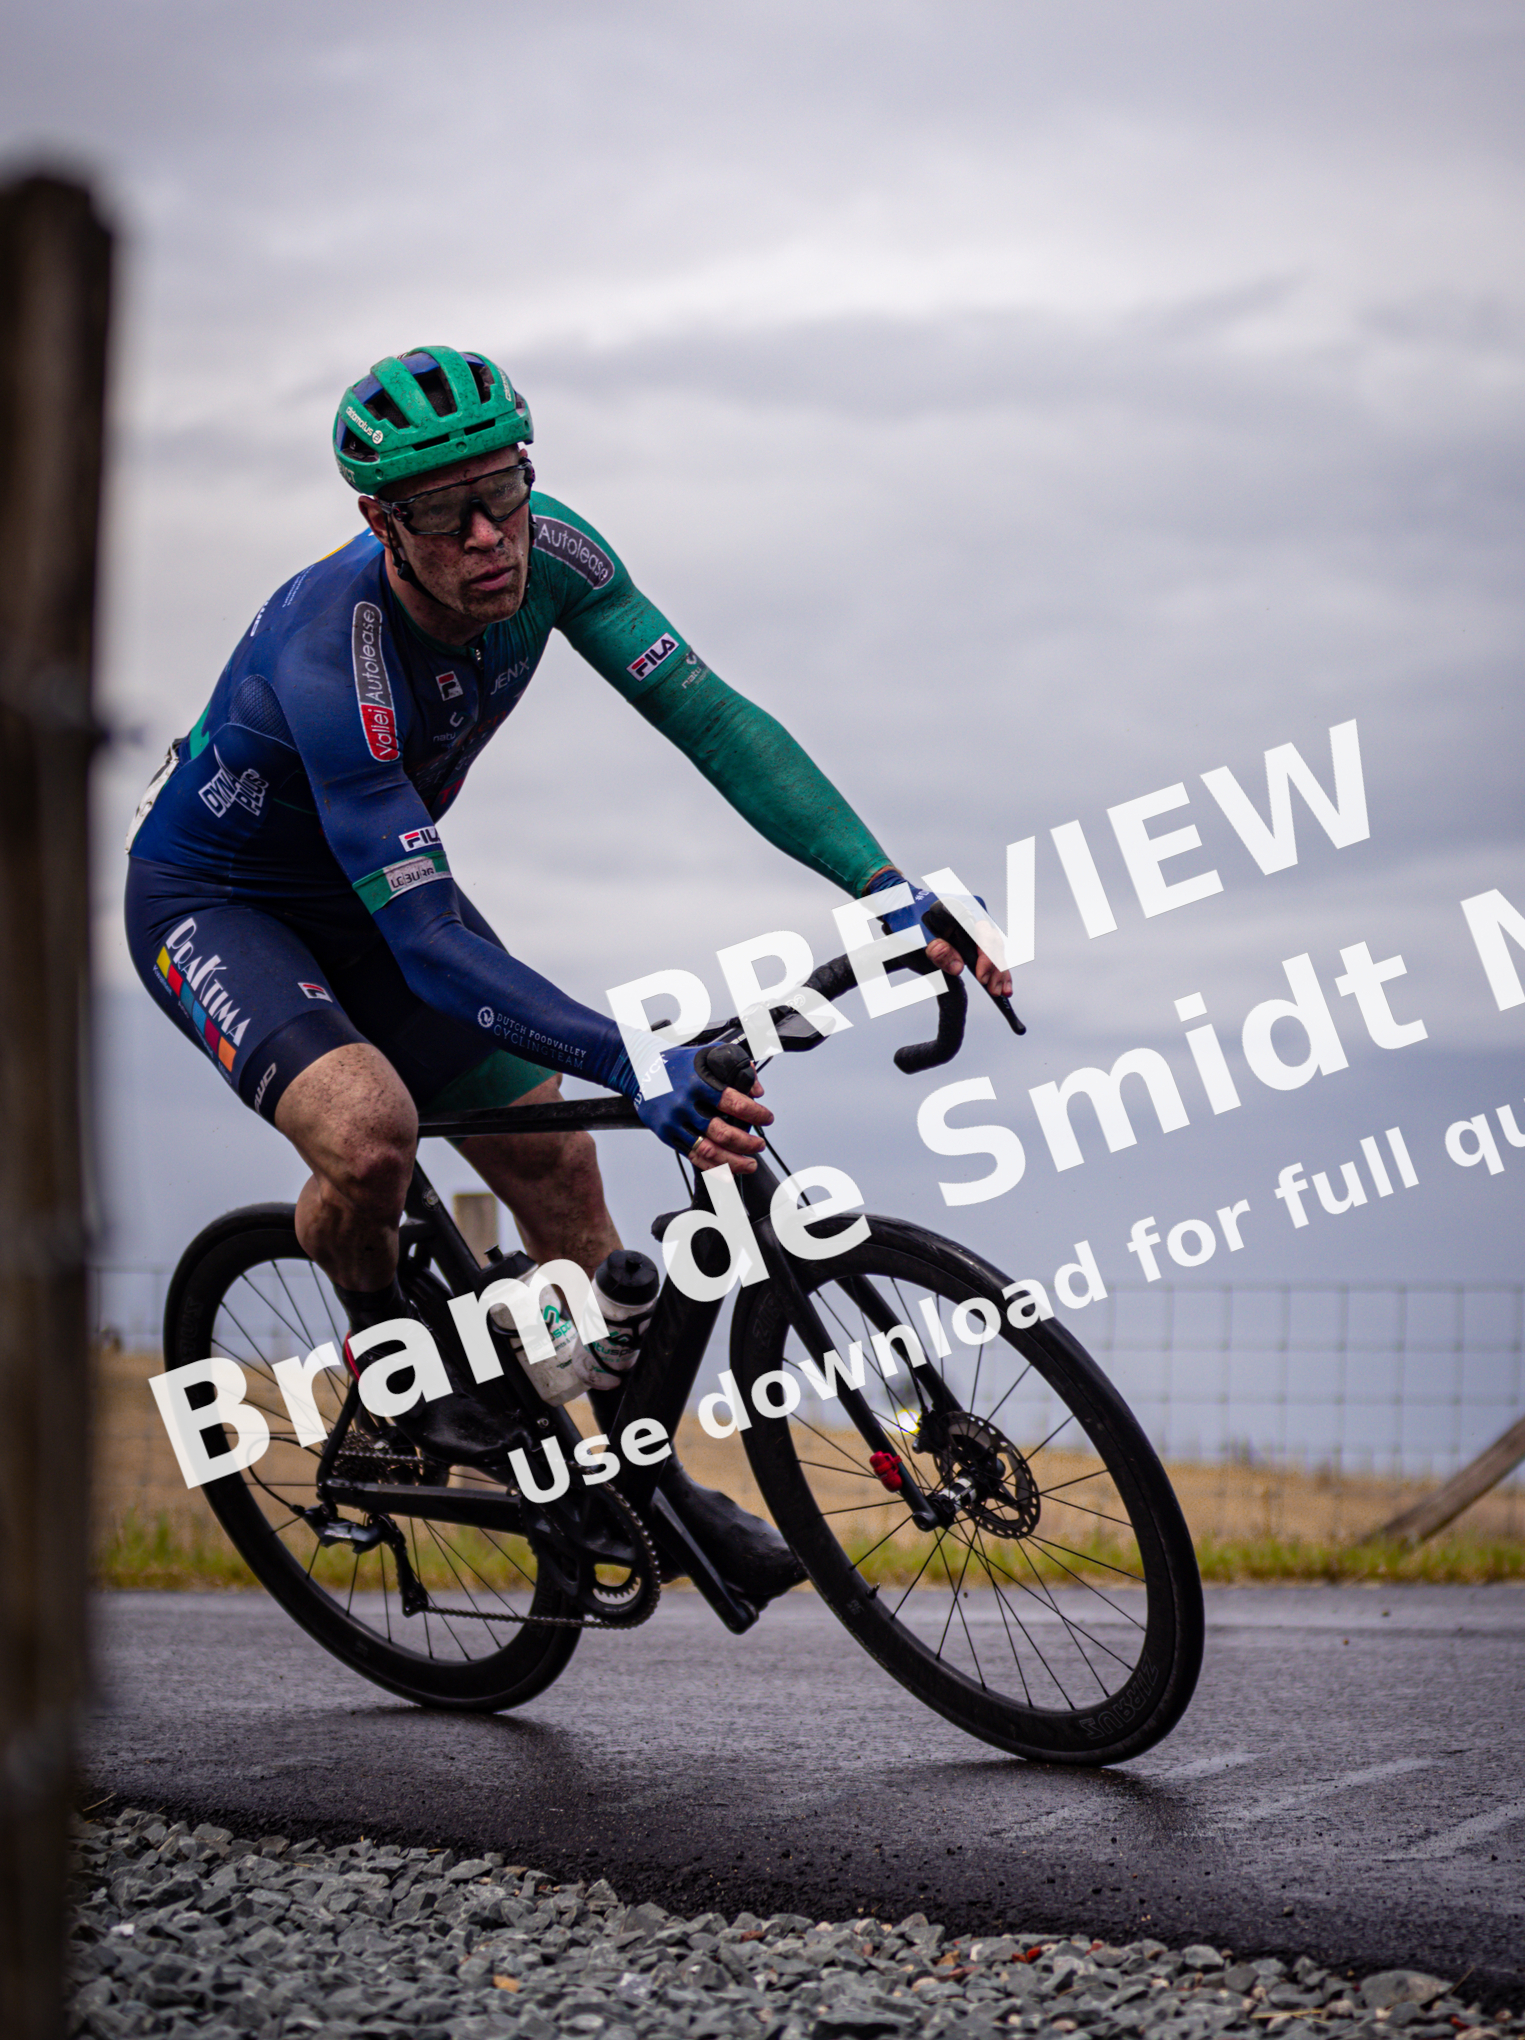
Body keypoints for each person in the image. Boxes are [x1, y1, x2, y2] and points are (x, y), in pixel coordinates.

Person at [125, 343, 1010, 1606]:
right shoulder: (339, 657)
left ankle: (633, 1475)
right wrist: (623, 1055)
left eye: (506, 489)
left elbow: (708, 717)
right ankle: (392, 1357)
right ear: (384, 523)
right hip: (221, 906)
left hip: (375, 899)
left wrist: (884, 887)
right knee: (372, 1136)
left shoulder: (560, 555)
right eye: (444, 513)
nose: (489, 534)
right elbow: (432, 945)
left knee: (559, 1172)